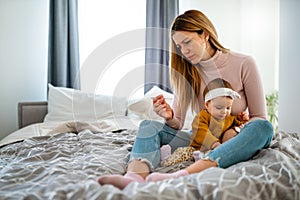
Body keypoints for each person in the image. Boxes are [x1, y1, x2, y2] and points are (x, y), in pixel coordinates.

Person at [98, 9, 274, 188]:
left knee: (264, 128)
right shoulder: (185, 72)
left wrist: (234, 133)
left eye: (187, 42)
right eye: (179, 47)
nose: (184, 51)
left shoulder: (244, 63)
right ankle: (133, 178)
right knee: (148, 126)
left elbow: (259, 116)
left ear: (204, 35)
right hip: (201, 138)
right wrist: (168, 116)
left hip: (233, 138)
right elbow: (178, 124)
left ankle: (182, 175)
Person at [160, 78, 249, 167]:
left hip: (213, 151)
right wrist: (215, 144)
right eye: (219, 107)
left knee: (213, 157)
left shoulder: (227, 118)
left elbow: (234, 123)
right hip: (197, 148)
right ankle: (166, 158)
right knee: (183, 153)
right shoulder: (202, 117)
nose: (224, 112)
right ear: (207, 105)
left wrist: (240, 119)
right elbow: (201, 132)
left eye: (228, 108)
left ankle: (201, 160)